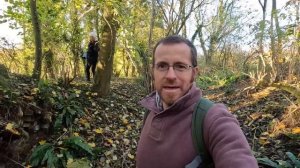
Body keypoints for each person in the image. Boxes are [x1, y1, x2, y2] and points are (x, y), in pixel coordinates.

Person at [136, 35, 258, 168]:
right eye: (162, 66)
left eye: (180, 66)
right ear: (153, 71)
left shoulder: (213, 119)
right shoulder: (150, 109)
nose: (170, 75)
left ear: (194, 74)